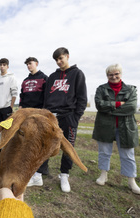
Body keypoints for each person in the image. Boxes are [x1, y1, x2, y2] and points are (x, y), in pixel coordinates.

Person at [28, 47, 87, 192]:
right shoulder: (52, 77)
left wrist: (75, 117)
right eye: (56, 60)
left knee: (68, 147)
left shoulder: (77, 74)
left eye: (61, 58)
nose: (59, 62)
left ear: (67, 56)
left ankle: (64, 175)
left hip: (68, 116)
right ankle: (38, 175)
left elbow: (82, 98)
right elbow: (47, 97)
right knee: (45, 145)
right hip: (51, 116)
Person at [92, 64, 140, 195]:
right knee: (104, 152)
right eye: (110, 74)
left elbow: (131, 108)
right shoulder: (101, 89)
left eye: (116, 74)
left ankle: (132, 181)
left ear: (120, 74)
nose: (113, 76)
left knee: (128, 154)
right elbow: (99, 105)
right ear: (107, 76)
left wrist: (109, 109)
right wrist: (118, 104)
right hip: (105, 126)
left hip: (125, 127)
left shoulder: (131, 89)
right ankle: (103, 175)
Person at [0, 58, 18, 124]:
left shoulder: (11, 78)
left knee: (7, 129)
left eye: (4, 65)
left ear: (7, 67)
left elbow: (14, 93)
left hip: (6, 108)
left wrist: (11, 107)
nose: (2, 66)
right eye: (1, 65)